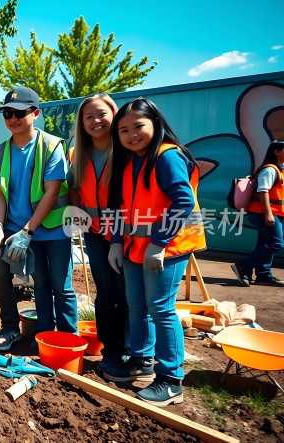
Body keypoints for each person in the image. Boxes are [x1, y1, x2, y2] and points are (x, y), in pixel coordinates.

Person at [104, 98, 206, 407]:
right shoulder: (131, 159)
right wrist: (117, 242)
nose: (131, 134)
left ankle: (171, 380)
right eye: (123, 130)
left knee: (160, 308)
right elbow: (121, 205)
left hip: (168, 245)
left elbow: (183, 203)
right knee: (137, 306)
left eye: (138, 126)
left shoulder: (167, 156)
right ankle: (141, 361)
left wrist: (159, 244)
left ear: (155, 124)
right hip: (137, 244)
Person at [0, 86, 77, 352]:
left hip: (51, 230)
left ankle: (69, 341)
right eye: (7, 113)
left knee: (61, 286)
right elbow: (0, 192)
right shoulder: (0, 152)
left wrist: (28, 232)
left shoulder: (51, 146)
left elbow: (51, 193)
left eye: (19, 112)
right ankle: (44, 338)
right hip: (18, 231)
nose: (13, 118)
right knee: (38, 285)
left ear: (35, 113)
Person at [68, 93, 129, 372]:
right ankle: (110, 350)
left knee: (127, 293)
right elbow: (73, 189)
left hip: (127, 233)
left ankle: (133, 351)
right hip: (94, 234)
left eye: (102, 114)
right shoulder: (76, 153)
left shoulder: (126, 151)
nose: (95, 121)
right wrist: (75, 213)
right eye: (88, 116)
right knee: (105, 292)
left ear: (114, 115)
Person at [232, 140, 284, 287]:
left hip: (276, 213)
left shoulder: (280, 169)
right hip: (263, 213)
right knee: (276, 243)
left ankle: (263, 274)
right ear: (277, 152)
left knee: (266, 242)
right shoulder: (270, 170)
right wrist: (268, 214)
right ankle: (242, 266)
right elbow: (263, 191)